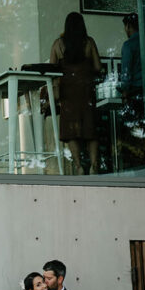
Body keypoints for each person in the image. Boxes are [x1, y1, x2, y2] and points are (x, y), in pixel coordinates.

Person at [49, 12, 102, 174]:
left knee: (71, 131)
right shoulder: (89, 42)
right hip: (86, 90)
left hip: (68, 92)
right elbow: (98, 67)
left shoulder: (58, 44)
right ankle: (94, 166)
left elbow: (52, 70)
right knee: (90, 130)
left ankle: (79, 166)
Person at [119, 12, 145, 169]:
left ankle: (137, 170)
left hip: (135, 94)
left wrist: (124, 91)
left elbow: (126, 73)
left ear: (128, 26)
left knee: (133, 136)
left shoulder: (129, 45)